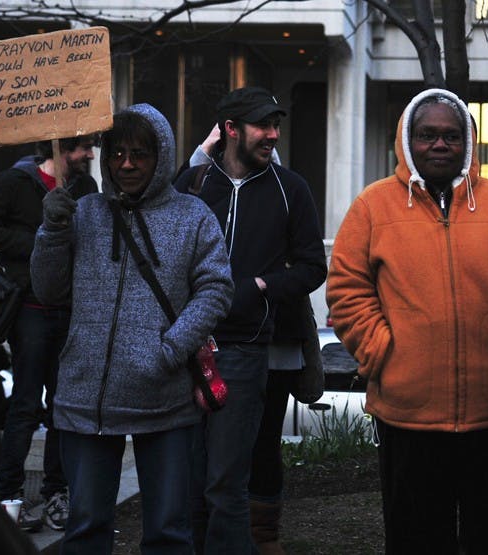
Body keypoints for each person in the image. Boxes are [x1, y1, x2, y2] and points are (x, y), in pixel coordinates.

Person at [326, 88, 488, 554]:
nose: (440, 144)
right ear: (408, 140)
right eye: (427, 135)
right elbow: (346, 290)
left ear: (467, 143)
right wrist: (383, 352)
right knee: (417, 539)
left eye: (451, 135)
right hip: (409, 416)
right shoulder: (373, 206)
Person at [30, 103, 233, 554]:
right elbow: (48, 290)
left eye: (139, 154)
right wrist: (52, 229)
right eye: (117, 153)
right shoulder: (82, 212)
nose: (126, 164)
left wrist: (169, 350)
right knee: (85, 530)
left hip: (165, 399)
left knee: (168, 533)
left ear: (161, 156)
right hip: (86, 400)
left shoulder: (193, 216)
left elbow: (216, 290)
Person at [174, 86, 327, 555]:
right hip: (184, 349)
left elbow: (312, 268)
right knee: (188, 480)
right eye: (263, 125)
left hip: (246, 349)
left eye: (276, 125)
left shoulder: (291, 189)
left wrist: (261, 286)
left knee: (227, 482)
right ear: (230, 130)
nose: (273, 135)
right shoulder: (194, 183)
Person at [0, 134, 98, 532]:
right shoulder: (15, 182)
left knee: (62, 406)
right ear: (62, 148)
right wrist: (40, 240)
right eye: (83, 147)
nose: (90, 154)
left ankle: (57, 492)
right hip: (29, 310)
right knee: (25, 404)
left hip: (68, 310)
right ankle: (9, 495)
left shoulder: (85, 188)